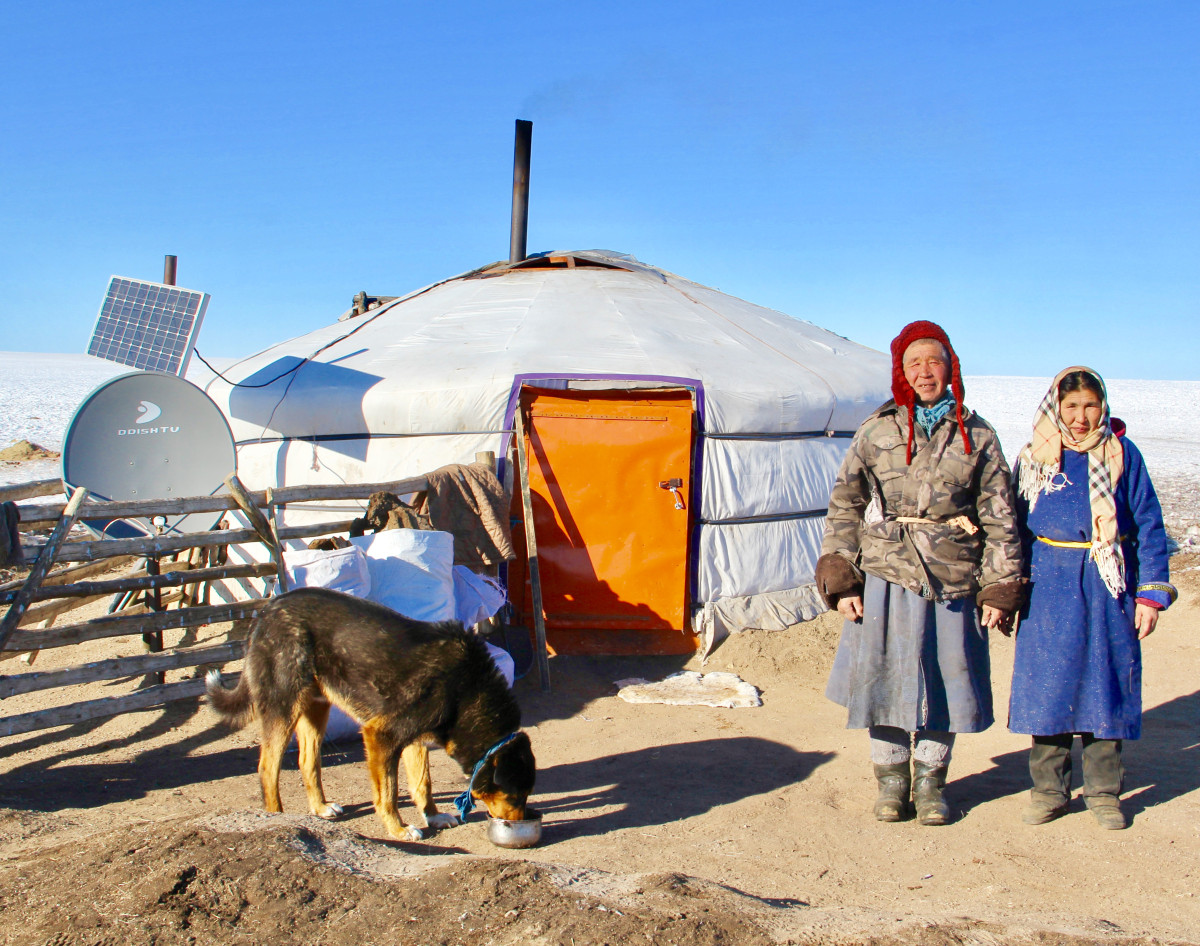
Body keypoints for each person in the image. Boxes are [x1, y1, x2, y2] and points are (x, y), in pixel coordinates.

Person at [816, 320, 1024, 825]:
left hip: (954, 576)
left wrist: (1001, 586)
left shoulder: (977, 435)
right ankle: (890, 781)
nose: (925, 372)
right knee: (882, 676)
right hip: (887, 571)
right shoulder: (877, 429)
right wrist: (841, 576)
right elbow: (846, 504)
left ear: (950, 366)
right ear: (900, 371)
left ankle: (931, 782)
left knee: (946, 677)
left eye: (934, 361)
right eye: (914, 364)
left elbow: (1001, 516)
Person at [1009, 367, 1176, 830]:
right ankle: (1049, 791)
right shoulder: (1035, 458)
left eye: (1090, 406)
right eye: (1071, 407)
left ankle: (1104, 793)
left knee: (1106, 685)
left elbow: (1149, 527)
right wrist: (1008, 589)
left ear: (1103, 407)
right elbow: (1013, 529)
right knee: (1049, 686)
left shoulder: (1123, 454)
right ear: (1055, 408)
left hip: (1109, 581)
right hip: (1049, 584)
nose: (1080, 418)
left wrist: (1150, 595)